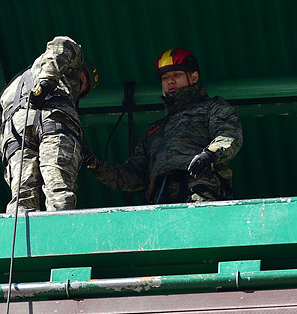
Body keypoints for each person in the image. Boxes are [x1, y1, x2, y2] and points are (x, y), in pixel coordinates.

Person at [83, 48, 243, 204]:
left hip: (201, 191)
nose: (170, 81)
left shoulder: (212, 107)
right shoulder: (154, 130)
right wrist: (96, 166)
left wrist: (209, 155)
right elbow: (134, 175)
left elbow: (229, 135)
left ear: (194, 77)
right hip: (161, 202)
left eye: (177, 75)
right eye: (165, 78)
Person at [0, 36, 98, 214]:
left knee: (22, 198)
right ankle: (58, 234)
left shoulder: (9, 88)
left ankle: (24, 237)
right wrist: (47, 82)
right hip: (54, 122)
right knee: (58, 190)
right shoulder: (67, 64)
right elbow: (63, 44)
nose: (79, 89)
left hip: (17, 134)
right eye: (81, 81)